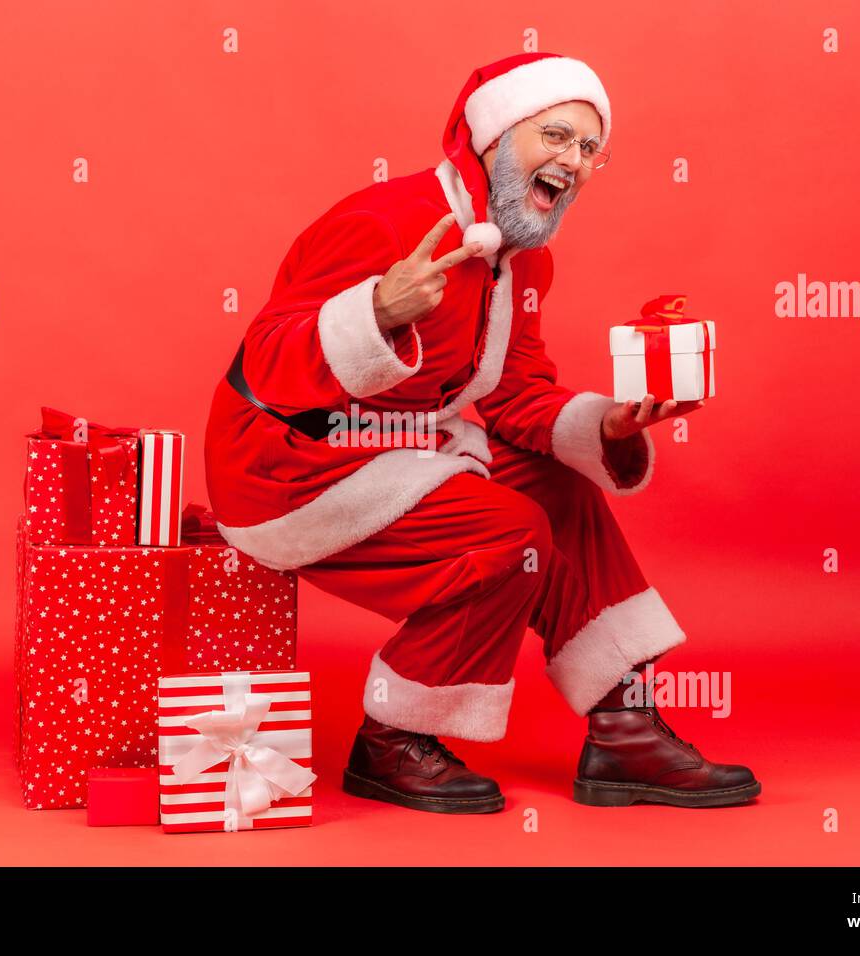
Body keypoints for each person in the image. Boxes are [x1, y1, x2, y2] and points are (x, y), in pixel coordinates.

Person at [203, 51, 759, 812]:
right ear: (493, 138)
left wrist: (614, 421)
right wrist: (376, 312)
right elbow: (266, 363)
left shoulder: (527, 264)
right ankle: (393, 741)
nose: (575, 161)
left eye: (590, 150)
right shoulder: (382, 220)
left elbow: (517, 395)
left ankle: (623, 731)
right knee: (512, 530)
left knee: (560, 488)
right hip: (287, 463)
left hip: (403, 449)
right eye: (556, 136)